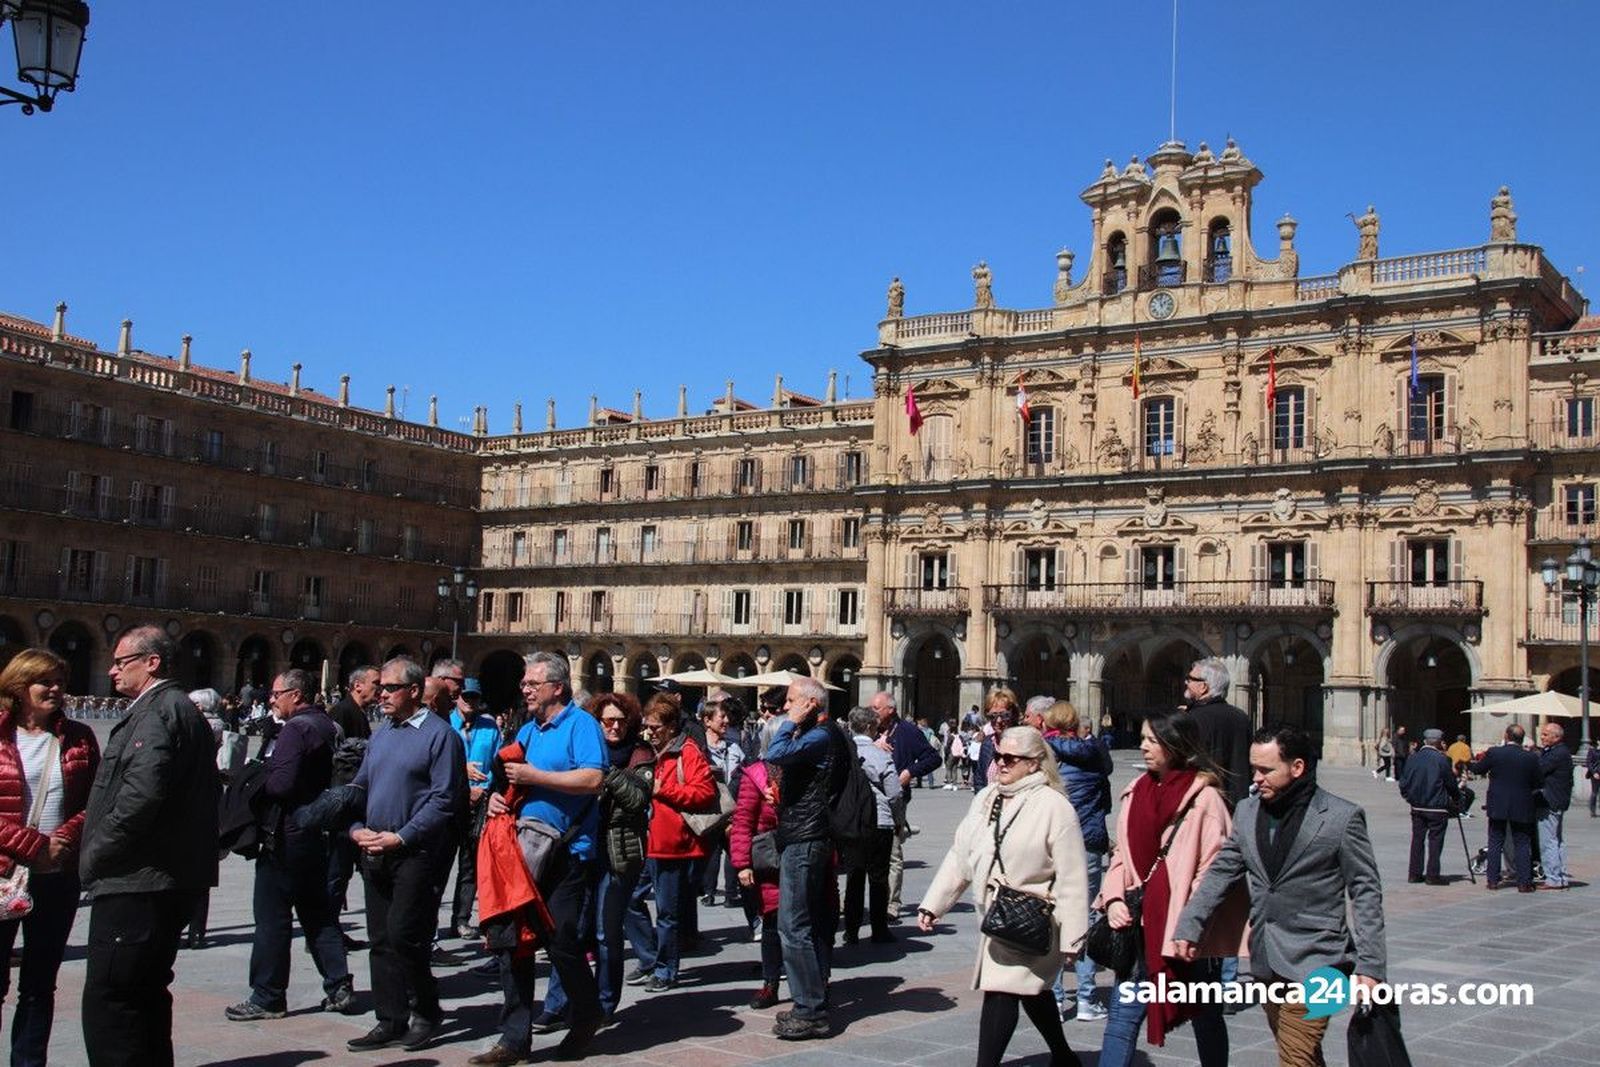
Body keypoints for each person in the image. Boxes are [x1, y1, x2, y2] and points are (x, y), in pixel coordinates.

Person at [1174, 725, 1387, 1067]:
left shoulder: (1340, 818)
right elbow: (1221, 873)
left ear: (1297, 767)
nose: (1255, 778)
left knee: (1295, 1057)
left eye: (1266, 770)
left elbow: (1365, 891)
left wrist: (1372, 965)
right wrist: (1190, 923)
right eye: (1253, 768)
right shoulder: (1247, 811)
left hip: (1323, 960)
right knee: (1301, 1053)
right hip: (1267, 958)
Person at [80, 626, 219, 1067]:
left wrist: (94, 854)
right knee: (145, 997)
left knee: (113, 1004)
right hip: (162, 877)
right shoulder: (176, 710)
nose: (112, 670)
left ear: (152, 662)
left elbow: (140, 796)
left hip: (137, 880)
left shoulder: (157, 713)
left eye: (121, 662)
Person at [917, 726, 1087, 1067]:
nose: (1001, 763)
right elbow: (961, 853)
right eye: (998, 756)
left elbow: (1073, 877)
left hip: (1035, 915)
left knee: (1001, 992)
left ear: (1035, 763)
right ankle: (1065, 1057)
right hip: (997, 916)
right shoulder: (987, 798)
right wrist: (934, 903)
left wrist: (1073, 938)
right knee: (1030, 991)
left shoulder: (1055, 807)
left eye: (1010, 758)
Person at [472, 652, 606, 1064]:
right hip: (523, 853)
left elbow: (593, 778)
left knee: (561, 939)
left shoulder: (581, 725)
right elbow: (507, 782)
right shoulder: (529, 730)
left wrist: (537, 777)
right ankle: (514, 1039)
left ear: (557, 687)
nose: (525, 689)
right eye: (525, 683)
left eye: (533, 683)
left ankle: (586, 1014)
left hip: (567, 852)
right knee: (513, 944)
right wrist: (496, 799)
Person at [1094, 711, 1239, 1067]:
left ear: (1175, 746)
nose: (1142, 746)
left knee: (1204, 1014)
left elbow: (1214, 872)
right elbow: (1120, 858)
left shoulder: (1205, 800)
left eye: (1150, 740)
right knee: (1122, 1018)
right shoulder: (1135, 792)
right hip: (1140, 926)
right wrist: (1113, 898)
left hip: (1185, 931)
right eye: (1142, 739)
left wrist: (1189, 922)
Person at [344, 657, 466, 1054]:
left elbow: (444, 799)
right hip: (375, 848)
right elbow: (361, 785)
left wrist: (403, 836)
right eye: (380, 688)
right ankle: (389, 1018)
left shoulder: (441, 737)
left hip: (415, 851)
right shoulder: (382, 733)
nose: (382, 695)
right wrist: (354, 826)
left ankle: (426, 1011)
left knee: (404, 935)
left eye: (390, 688)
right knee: (379, 938)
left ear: (414, 691)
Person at [226, 669, 355, 1022]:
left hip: (284, 836)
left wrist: (256, 777)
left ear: (296, 695)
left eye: (276, 693)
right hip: (317, 832)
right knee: (318, 914)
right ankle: (339, 983)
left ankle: (268, 995)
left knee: (272, 917)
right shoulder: (330, 727)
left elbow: (281, 785)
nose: (271, 699)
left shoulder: (296, 729)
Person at [0, 649, 100, 1066]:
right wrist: (34, 846)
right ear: (20, 687)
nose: (57, 689)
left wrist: (61, 840)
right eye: (46, 681)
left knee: (40, 984)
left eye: (61, 680)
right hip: (4, 872)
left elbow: (94, 800)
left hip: (57, 874)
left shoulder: (79, 737)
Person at [763, 676, 846, 1041]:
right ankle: (811, 1001)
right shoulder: (817, 736)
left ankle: (810, 1009)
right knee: (801, 924)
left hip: (806, 838)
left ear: (811, 704)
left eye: (792, 700)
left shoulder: (818, 736)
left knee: (792, 925)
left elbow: (774, 753)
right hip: (804, 835)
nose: (785, 706)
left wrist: (791, 722)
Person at [622, 693, 714, 993]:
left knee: (667, 912)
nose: (650, 732)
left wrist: (664, 790)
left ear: (672, 726)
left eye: (656, 727)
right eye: (647, 726)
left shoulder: (687, 751)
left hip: (674, 845)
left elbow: (704, 793)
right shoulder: (650, 752)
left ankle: (665, 969)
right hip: (646, 841)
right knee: (630, 900)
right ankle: (650, 957)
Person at [1042, 700, 1112, 1022]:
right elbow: (1106, 789)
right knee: (1086, 918)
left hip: (1053, 843)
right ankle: (1086, 997)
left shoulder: (1042, 754)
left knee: (1055, 918)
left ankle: (1055, 999)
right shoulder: (1095, 753)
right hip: (1088, 840)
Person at [867, 690, 938, 918]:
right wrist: (872, 746)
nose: (873, 712)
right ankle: (870, 900)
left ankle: (891, 904)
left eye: (877, 708)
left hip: (895, 800)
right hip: (866, 798)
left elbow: (933, 757)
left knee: (893, 852)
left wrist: (910, 772)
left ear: (891, 709)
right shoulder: (868, 729)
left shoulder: (908, 732)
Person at [729, 749, 782, 1008]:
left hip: (803, 855)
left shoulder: (808, 768)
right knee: (772, 920)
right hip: (769, 860)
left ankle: (818, 982)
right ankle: (770, 983)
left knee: (811, 923)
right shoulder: (756, 776)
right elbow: (742, 822)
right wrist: (742, 864)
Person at [844, 707, 901, 945]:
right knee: (878, 878)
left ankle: (852, 930)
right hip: (880, 821)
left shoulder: (844, 752)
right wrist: (897, 819)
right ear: (870, 727)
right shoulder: (880, 755)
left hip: (852, 822)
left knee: (854, 877)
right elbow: (895, 792)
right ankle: (879, 929)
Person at [449, 679, 501, 937]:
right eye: (465, 697)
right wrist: (461, 772)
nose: (470, 702)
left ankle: (461, 918)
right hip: (449, 803)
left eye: (474, 698)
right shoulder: (445, 724)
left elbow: (497, 763)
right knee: (439, 865)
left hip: (479, 803)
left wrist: (484, 790)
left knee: (470, 865)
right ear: (457, 697)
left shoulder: (490, 727)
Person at [1466, 724, 1544, 892]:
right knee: (1522, 843)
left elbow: (1478, 769)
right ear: (1522, 739)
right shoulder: (1530, 757)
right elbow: (1539, 782)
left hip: (1498, 804)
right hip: (1522, 805)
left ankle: (1493, 880)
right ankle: (1524, 882)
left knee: (1495, 841)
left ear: (1506, 736)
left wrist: (1466, 764)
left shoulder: (1495, 753)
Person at [184, 687, 227, 950]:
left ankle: (180, 924)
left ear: (199, 707)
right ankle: (197, 931)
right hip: (213, 794)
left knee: (184, 865)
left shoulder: (193, 727)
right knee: (203, 868)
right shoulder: (222, 727)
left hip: (190, 797)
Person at [1182, 658, 1251, 807]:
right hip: (1238, 803)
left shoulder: (1192, 719)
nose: (1186, 682)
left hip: (1202, 803)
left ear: (1203, 687)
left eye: (1190, 679)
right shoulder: (1241, 717)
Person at [697, 694, 745, 909]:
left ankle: (731, 893)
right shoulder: (698, 750)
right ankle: (708, 892)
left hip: (730, 808)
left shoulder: (734, 748)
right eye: (721, 717)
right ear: (707, 721)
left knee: (733, 849)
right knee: (712, 851)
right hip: (709, 807)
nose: (726, 721)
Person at [1397, 728, 1461, 885]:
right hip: (1437, 806)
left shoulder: (1413, 758)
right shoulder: (1442, 759)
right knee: (1435, 840)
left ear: (1425, 741)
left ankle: (1414, 873)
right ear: (1439, 742)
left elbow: (1403, 781)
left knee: (1417, 839)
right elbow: (1450, 783)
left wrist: (1408, 796)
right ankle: (1432, 875)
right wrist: (1457, 798)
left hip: (1417, 806)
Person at [1535, 722, 1573, 890]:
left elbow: (1539, 770)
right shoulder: (1558, 751)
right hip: (1558, 801)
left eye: (1545, 735)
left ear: (1556, 737)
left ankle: (1553, 878)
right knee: (1557, 840)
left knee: (1548, 841)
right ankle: (1561, 875)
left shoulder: (1557, 754)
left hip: (1550, 801)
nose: (1542, 737)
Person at [973, 689, 1021, 794]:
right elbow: (979, 779)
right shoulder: (987, 742)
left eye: (1004, 715)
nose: (998, 721)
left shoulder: (1024, 740)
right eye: (992, 716)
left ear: (1014, 714)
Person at [1587, 742, 1600, 818]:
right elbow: (1589, 763)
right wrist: (1594, 773)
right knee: (1594, 793)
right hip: (1595, 774)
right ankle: (1593, 810)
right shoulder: (1592, 750)